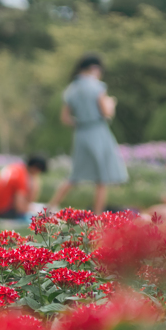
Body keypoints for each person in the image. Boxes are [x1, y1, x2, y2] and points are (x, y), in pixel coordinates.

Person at [47, 54, 129, 214]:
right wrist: (111, 105)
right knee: (102, 178)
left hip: (81, 134)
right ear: (94, 68)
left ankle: (49, 208)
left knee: (74, 175)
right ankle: (97, 216)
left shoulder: (71, 89)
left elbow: (65, 119)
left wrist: (82, 122)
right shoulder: (97, 86)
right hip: (98, 132)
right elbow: (106, 112)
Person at [0, 155, 48, 221]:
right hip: (5, 211)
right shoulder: (21, 176)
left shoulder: (16, 168)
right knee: (40, 216)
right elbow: (20, 207)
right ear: (35, 168)